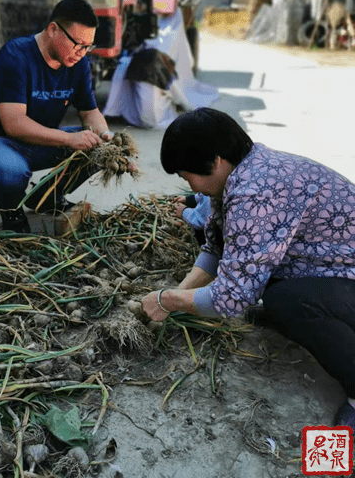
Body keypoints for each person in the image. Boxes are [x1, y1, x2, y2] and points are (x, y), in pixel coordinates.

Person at [141, 107, 355, 428]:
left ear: (215, 161)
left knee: (287, 302)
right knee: (266, 288)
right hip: (327, 261)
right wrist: (178, 296)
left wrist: (167, 300)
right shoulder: (239, 170)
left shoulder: (255, 193)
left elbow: (231, 299)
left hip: (348, 274)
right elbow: (218, 248)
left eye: (188, 177)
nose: (193, 189)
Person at [0, 0, 112, 233]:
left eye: (88, 46)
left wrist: (109, 141)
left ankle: (47, 197)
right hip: (1, 142)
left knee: (98, 148)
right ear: (53, 30)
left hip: (40, 140)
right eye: (77, 44)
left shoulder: (78, 63)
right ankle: (11, 209)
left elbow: (90, 112)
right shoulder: (15, 56)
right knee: (9, 172)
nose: (81, 53)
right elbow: (14, 124)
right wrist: (67, 139)